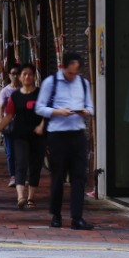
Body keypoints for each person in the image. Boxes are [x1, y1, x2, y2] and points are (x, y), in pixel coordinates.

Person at [35, 53, 94, 230]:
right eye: (70, 73)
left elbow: (91, 107)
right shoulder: (50, 82)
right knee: (58, 175)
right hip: (57, 135)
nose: (73, 76)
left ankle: (77, 217)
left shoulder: (83, 83)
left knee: (79, 176)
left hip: (77, 134)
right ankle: (56, 215)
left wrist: (85, 111)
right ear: (63, 67)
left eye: (76, 73)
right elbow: (39, 108)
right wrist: (58, 112)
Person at [0, 64, 45, 210]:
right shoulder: (15, 95)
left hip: (38, 136)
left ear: (34, 76)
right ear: (20, 77)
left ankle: (31, 198)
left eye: (30, 74)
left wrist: (42, 126)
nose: (27, 77)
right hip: (19, 136)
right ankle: (21, 196)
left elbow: (47, 112)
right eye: (24, 74)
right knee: (20, 164)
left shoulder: (40, 94)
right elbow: (8, 117)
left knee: (35, 167)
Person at [0, 64, 21, 188]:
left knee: (22, 152)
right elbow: (0, 108)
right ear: (9, 75)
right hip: (9, 126)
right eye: (13, 73)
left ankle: (20, 176)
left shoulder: (25, 89)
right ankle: (13, 175)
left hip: (22, 126)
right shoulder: (5, 91)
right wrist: (0, 125)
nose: (15, 76)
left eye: (17, 73)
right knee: (11, 152)